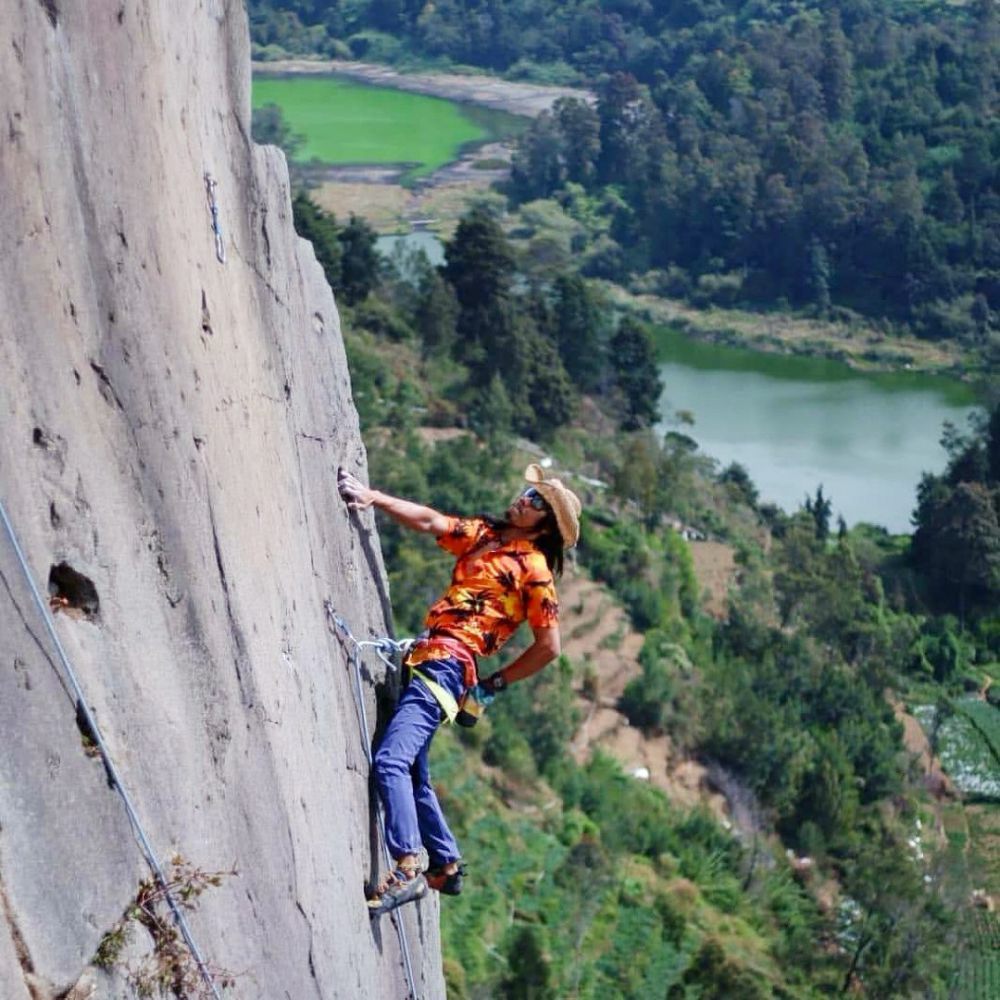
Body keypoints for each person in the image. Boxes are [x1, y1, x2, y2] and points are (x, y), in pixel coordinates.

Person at [337, 463, 582, 915]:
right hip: (429, 657)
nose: (522, 499)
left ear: (544, 522)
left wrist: (494, 685)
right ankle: (445, 864)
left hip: (450, 666)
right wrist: (374, 497)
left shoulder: (535, 571)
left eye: (534, 501)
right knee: (412, 772)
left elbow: (550, 647)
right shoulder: (487, 535)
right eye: (527, 493)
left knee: (391, 761)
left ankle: (409, 863)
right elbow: (433, 521)